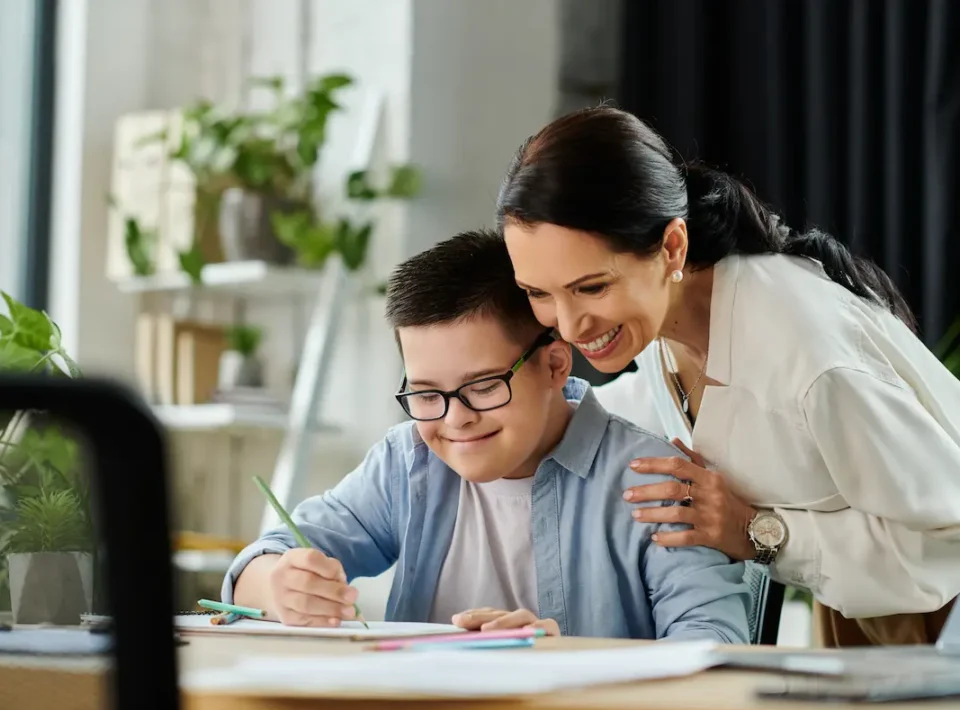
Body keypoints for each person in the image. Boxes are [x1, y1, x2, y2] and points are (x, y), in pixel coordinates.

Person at [495, 105, 960, 647]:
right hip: (862, 619)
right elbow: (613, 415)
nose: (570, 326)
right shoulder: (665, 323)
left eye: (592, 287)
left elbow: (947, 540)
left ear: (672, 246)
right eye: (538, 293)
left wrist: (755, 531)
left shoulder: (809, 359)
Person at [223, 229, 750, 643]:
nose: (455, 420)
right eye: (427, 394)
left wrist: (568, 662)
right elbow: (260, 562)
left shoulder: (650, 480)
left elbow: (716, 644)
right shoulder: (406, 462)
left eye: (482, 387)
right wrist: (278, 584)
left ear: (555, 366)